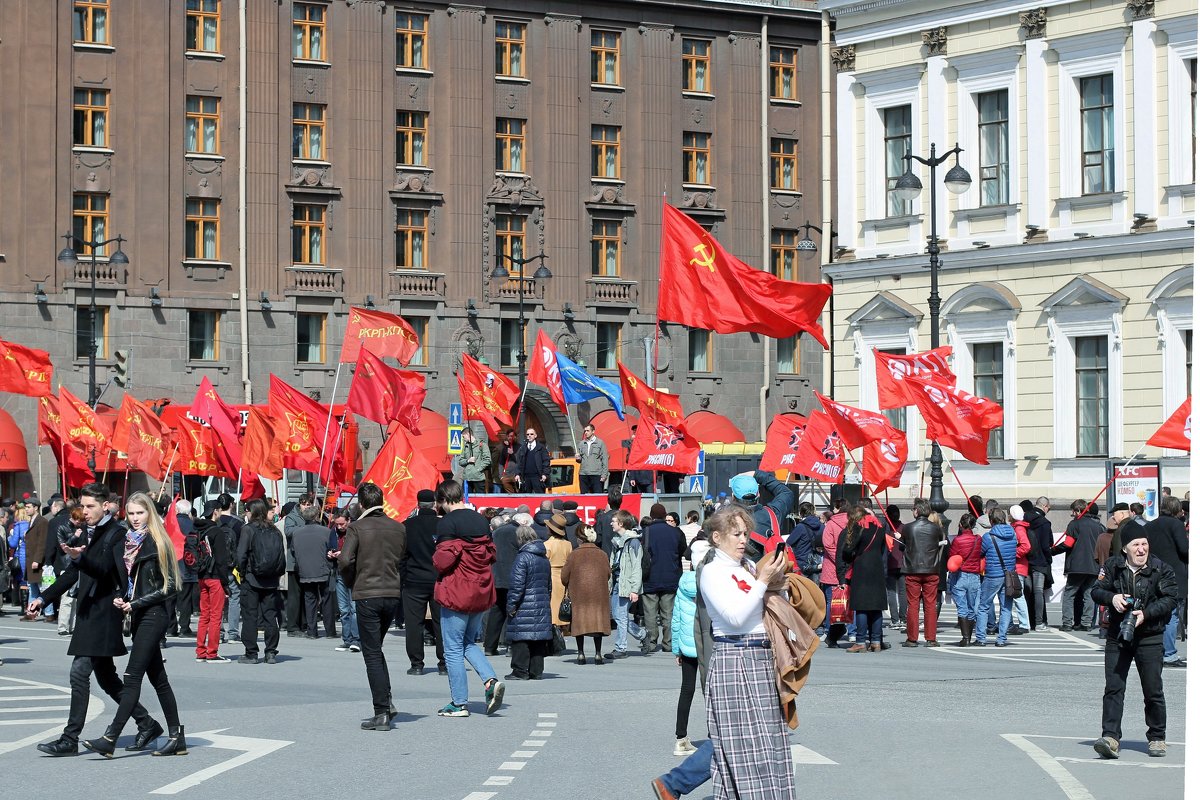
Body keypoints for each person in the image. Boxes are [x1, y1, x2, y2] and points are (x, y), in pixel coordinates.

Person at [31, 483, 163, 756]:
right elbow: (72, 575)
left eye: (90, 506)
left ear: (106, 506)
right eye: (83, 505)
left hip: (104, 613)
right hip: (89, 611)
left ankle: (70, 739)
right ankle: (147, 723)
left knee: (79, 673)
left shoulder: (116, 533)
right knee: (107, 678)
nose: (85, 511)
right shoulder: (86, 533)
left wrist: (80, 558)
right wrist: (43, 598)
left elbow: (107, 571)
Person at [79, 492, 187, 758]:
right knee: (158, 679)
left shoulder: (157, 542)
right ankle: (176, 736)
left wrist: (135, 603)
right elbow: (128, 581)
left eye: (140, 513)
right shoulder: (126, 542)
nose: (135, 519)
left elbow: (172, 586)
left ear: (150, 513)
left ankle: (111, 737)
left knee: (131, 676)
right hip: (138, 615)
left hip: (154, 615)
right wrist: (122, 596)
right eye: (131, 514)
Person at [698, 505, 794, 800]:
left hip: (762, 656)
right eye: (735, 534)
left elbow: (765, 607)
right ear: (717, 537)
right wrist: (763, 582)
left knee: (771, 744)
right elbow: (735, 618)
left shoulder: (748, 566)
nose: (743, 539)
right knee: (744, 748)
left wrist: (778, 585)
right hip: (734, 656)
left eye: (744, 533)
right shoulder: (712, 572)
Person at [1090, 525, 1178, 759]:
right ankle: (1110, 737)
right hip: (1118, 636)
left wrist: (1146, 614)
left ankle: (1157, 737)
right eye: (1136, 545)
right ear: (1125, 548)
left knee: (1153, 690)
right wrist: (1113, 597)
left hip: (1150, 636)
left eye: (1144, 544)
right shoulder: (1112, 566)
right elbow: (1096, 591)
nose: (1141, 549)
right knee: (1114, 687)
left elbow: (1171, 599)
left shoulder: (1161, 569)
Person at [432, 480, 505, 717]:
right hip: (480, 589)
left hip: (457, 591)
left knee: (452, 648)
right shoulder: (481, 520)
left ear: (443, 499)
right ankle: (490, 680)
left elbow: (442, 561)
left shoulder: (448, 523)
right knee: (468, 643)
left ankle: (459, 703)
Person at [339, 482, 407, 730]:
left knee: (371, 653)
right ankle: (386, 703)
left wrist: (351, 581)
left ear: (361, 504)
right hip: (391, 592)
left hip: (367, 592)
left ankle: (381, 712)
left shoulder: (357, 527)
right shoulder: (398, 527)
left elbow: (345, 560)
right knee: (375, 649)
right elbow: (400, 557)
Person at [401, 489, 445, 674]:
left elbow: (401, 555)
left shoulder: (407, 525)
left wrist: (403, 576)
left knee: (414, 624)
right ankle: (444, 663)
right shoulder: (443, 525)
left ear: (417, 504)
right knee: (441, 623)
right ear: (434, 504)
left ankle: (416, 664)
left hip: (414, 580)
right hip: (438, 579)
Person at [236, 499, 286, 665]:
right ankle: (270, 651)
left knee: (250, 615)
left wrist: (242, 573)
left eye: (247, 510)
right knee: (270, 615)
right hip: (271, 579)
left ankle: (251, 653)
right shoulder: (275, 530)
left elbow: (241, 555)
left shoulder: (248, 529)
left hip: (252, 578)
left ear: (252, 512)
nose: (246, 514)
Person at [1141, 495, 1188, 667]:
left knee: (1157, 612)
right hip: (1174, 573)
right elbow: (1184, 549)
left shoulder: (1150, 525)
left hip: (1154, 572)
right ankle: (1169, 653)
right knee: (1172, 615)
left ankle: (1155, 650)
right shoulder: (1176, 524)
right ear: (1176, 509)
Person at [505, 525, 553, 680]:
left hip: (524, 603)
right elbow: (549, 584)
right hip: (541, 601)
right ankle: (536, 671)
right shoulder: (543, 558)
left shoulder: (522, 557)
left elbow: (517, 585)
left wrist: (511, 604)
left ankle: (520, 670)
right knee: (538, 638)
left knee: (521, 637)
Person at [840, 505, 888, 653]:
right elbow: (882, 549)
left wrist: (850, 554)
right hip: (877, 568)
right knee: (876, 607)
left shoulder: (858, 526)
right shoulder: (879, 527)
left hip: (862, 568)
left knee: (861, 607)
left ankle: (860, 641)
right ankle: (876, 641)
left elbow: (848, 549)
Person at [560, 524, 610, 665]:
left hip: (579, 596)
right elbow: (607, 574)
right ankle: (598, 654)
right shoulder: (602, 554)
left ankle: (581, 654)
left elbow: (564, 577)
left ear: (580, 539)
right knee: (597, 625)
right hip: (598, 596)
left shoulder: (574, 555)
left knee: (579, 624)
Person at [900, 498, 946, 647]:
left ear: (917, 510)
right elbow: (939, 542)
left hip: (912, 569)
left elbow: (903, 546)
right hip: (931, 568)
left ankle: (912, 638)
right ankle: (931, 638)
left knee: (913, 604)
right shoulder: (936, 528)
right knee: (930, 604)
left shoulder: (908, 528)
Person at [1053, 499, 1106, 630]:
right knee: (1089, 594)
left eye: (1073, 511)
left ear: (1078, 511)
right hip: (1093, 565)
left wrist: (1052, 551)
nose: (1072, 513)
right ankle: (1086, 623)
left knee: (1069, 594)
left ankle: (1067, 622)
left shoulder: (1074, 524)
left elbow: (1068, 544)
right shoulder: (1098, 526)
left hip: (1077, 565)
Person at [642, 503, 686, 655]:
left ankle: (652, 641)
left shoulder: (646, 532)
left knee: (650, 613)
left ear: (652, 515)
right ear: (664, 514)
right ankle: (668, 643)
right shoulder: (676, 532)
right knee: (668, 613)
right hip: (670, 577)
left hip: (650, 577)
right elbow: (682, 551)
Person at [190, 502, 232, 662]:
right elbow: (221, 560)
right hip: (215, 578)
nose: (221, 513)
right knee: (216, 616)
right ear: (215, 512)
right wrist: (225, 583)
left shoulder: (197, 529)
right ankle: (212, 652)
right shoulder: (217, 532)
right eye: (220, 510)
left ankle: (200, 652)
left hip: (201, 576)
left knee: (204, 615)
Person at [976, 507, 1020, 647]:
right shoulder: (1013, 534)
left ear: (991, 520)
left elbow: (980, 553)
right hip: (1009, 575)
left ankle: (981, 638)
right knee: (1006, 607)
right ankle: (1001, 639)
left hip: (993, 575)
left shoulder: (989, 537)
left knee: (983, 606)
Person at [606, 509, 647, 659]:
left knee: (621, 616)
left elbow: (637, 567)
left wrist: (635, 590)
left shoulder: (633, 542)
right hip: (617, 582)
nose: (611, 523)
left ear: (621, 523)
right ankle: (642, 634)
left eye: (614, 521)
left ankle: (621, 648)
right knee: (617, 615)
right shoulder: (617, 541)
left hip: (627, 584)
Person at [728, 470, 795, 560]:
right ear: (758, 494)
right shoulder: (773, 514)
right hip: (769, 571)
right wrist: (757, 474)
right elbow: (786, 493)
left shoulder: (724, 521)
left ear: (733, 496)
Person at [292, 504, 336, 640]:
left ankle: (312, 631)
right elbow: (332, 549)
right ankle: (330, 631)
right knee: (327, 600)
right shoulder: (326, 531)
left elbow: (294, 551)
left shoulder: (296, 533)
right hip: (323, 569)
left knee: (309, 600)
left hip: (305, 570)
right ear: (316, 517)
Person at [485, 509, 523, 656]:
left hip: (497, 576)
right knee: (514, 611)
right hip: (513, 577)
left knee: (496, 611)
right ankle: (510, 646)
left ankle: (489, 646)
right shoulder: (517, 532)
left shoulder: (497, 532)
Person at [819, 498, 852, 647]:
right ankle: (852, 631)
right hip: (849, 567)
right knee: (849, 601)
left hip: (831, 568)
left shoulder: (831, 524)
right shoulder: (852, 523)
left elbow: (828, 545)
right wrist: (846, 560)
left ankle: (828, 630)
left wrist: (838, 559)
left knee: (830, 602)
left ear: (837, 508)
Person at [947, 513, 983, 647]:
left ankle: (965, 638)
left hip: (961, 575)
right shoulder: (978, 539)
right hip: (974, 575)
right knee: (972, 607)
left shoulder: (957, 540)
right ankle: (969, 635)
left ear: (961, 525)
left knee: (962, 607)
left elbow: (952, 556)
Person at [545, 513, 573, 636]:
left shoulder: (547, 545)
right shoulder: (568, 544)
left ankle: (554, 634)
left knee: (552, 606)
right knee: (562, 604)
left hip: (551, 576)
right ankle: (562, 631)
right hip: (564, 576)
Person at [457, 428, 492, 496]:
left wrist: (478, 469)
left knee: (480, 498)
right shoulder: (465, 446)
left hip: (478, 478)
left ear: (468, 434)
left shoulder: (482, 445)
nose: (463, 439)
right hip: (467, 478)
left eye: (463, 437)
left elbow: (487, 460)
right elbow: (460, 461)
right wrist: (468, 460)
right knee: (466, 498)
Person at [515, 428, 550, 493]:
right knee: (526, 498)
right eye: (527, 434)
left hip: (538, 477)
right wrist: (517, 474)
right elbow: (519, 462)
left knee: (539, 497)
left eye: (531, 434)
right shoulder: (523, 448)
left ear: (535, 436)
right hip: (525, 477)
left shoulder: (541, 448)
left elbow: (546, 462)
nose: (529, 435)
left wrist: (545, 474)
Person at [577, 423, 609, 493]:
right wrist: (578, 458)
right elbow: (580, 460)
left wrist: (604, 474)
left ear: (593, 431)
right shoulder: (582, 443)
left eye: (588, 431)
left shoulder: (600, 443)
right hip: (583, 474)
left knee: (597, 496)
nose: (586, 433)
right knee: (584, 496)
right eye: (585, 431)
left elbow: (605, 459)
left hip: (596, 474)